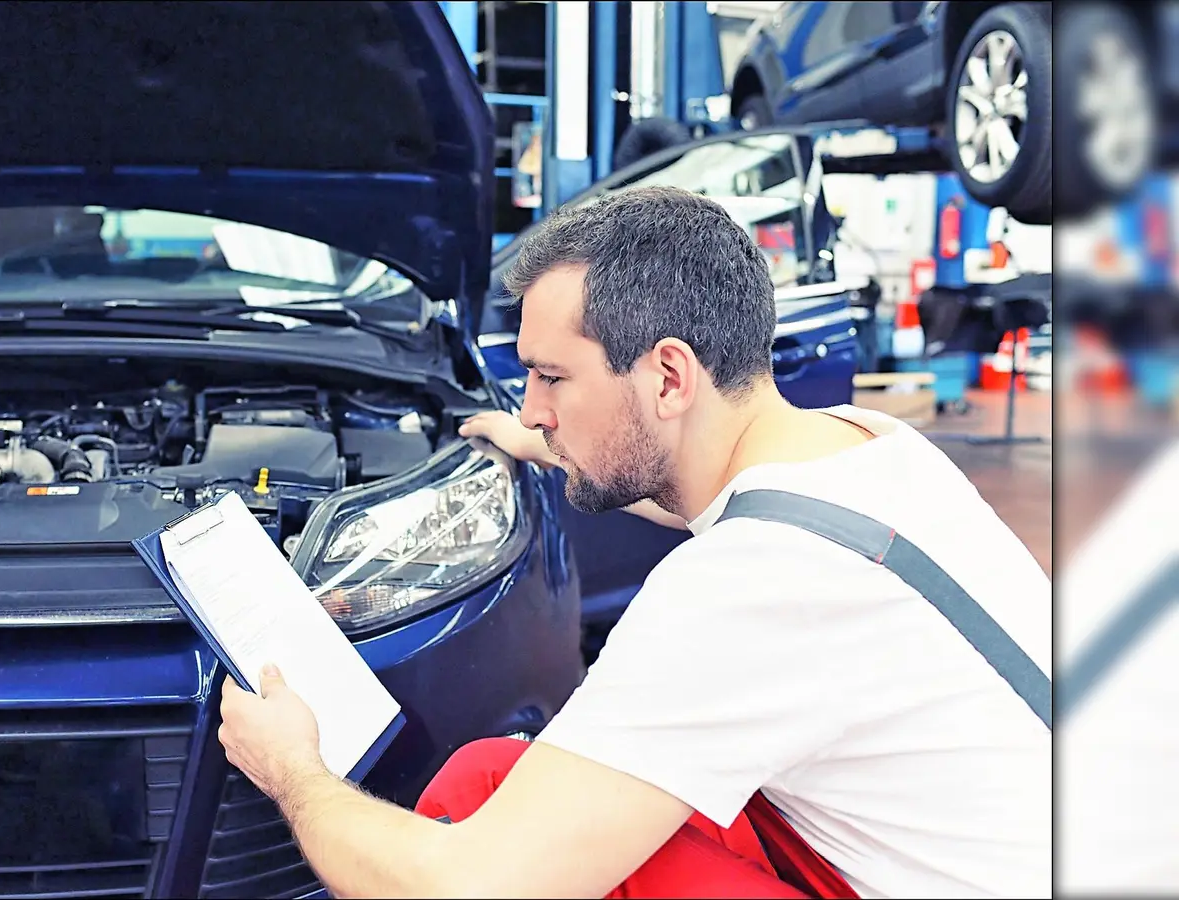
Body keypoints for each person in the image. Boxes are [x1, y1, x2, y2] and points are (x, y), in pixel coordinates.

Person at [217, 185, 1051, 898]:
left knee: (485, 826)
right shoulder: (864, 444)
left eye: (551, 378)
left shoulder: (744, 585)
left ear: (668, 376)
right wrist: (537, 440)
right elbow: (692, 491)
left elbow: (464, 885)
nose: (535, 406)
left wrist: (295, 770)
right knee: (491, 780)